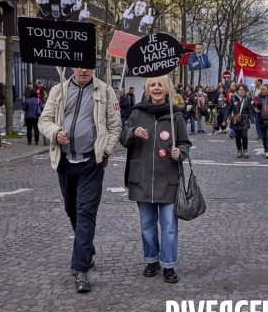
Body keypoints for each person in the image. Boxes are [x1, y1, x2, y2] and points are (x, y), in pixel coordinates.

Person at [38, 67, 121, 293]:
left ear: (92, 68)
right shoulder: (58, 90)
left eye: (88, 66)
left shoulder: (104, 91)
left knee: (85, 212)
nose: (84, 70)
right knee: (72, 210)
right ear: (73, 67)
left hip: (91, 163)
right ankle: (87, 249)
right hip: (64, 162)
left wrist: (106, 151)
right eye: (79, 66)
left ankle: (80, 267)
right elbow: (44, 120)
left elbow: (115, 126)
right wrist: (55, 132)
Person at [120, 75, 191, 284]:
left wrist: (181, 152)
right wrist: (133, 131)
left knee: (169, 225)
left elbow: (186, 144)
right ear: (147, 89)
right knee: (147, 224)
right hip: (142, 178)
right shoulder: (138, 112)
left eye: (160, 85)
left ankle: (169, 264)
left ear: (167, 90)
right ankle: (152, 260)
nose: (157, 88)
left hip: (168, 178)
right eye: (153, 85)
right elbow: (124, 138)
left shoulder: (175, 115)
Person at [223, 84, 253, 158]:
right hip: (236, 120)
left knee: (244, 135)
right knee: (237, 137)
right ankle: (239, 151)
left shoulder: (247, 98)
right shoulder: (233, 98)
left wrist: (252, 121)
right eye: (241, 90)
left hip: (245, 119)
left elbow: (250, 111)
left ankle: (245, 150)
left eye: (243, 90)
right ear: (237, 90)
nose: (242, 91)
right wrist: (225, 120)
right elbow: (228, 109)